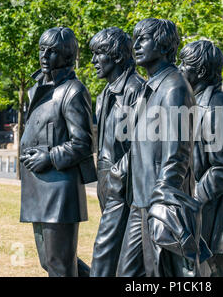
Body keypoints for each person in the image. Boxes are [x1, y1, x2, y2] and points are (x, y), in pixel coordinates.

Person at [115, 18, 206, 277]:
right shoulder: (152, 86)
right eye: (135, 39)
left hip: (157, 202)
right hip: (139, 201)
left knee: (160, 275)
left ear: (164, 45)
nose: (136, 46)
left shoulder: (174, 87)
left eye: (143, 39)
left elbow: (177, 153)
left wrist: (161, 201)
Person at [19, 27, 97, 277]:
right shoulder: (38, 88)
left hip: (60, 192)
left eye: (52, 51)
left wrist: (49, 156)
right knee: (50, 262)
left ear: (67, 56)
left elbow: (83, 143)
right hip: (38, 190)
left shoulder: (73, 91)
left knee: (60, 265)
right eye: (42, 49)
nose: (44, 56)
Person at [179, 40, 223, 277]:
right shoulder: (198, 102)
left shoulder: (214, 106)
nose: (180, 68)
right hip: (204, 209)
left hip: (215, 211)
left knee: (217, 270)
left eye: (185, 64)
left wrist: (196, 196)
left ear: (200, 71)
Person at [89, 27, 144, 277]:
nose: (93, 61)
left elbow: (142, 144)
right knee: (117, 262)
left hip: (123, 187)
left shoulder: (136, 89)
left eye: (99, 54)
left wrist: (117, 176)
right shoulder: (104, 95)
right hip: (108, 186)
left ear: (118, 56)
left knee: (103, 258)